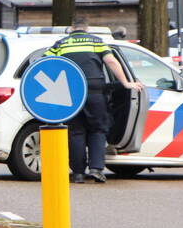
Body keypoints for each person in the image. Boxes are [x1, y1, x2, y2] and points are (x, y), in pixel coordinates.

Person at [45, 15, 142, 183]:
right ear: (87, 28)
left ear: (72, 28)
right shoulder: (96, 42)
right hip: (95, 92)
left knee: (76, 132)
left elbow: (45, 63)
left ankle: (78, 173)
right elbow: (111, 61)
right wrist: (126, 83)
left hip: (72, 93)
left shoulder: (61, 44)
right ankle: (96, 169)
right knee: (98, 130)